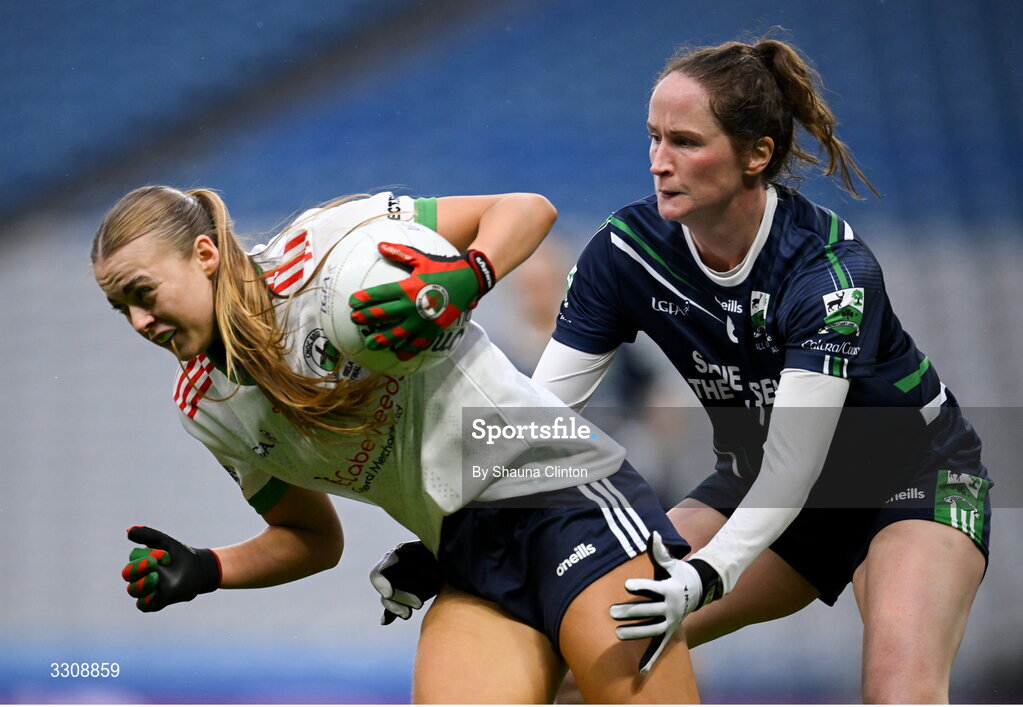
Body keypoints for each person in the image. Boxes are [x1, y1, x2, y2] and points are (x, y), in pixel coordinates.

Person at [371, 38, 992, 703]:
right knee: (596, 649)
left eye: (685, 143)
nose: (659, 164)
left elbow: (793, 468)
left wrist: (705, 575)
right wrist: (446, 538)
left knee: (898, 692)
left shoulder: (828, 276)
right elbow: (536, 419)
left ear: (757, 154)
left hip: (907, 483)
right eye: (652, 138)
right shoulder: (624, 253)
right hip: (752, 483)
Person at [92, 185, 701, 703]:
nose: (139, 322)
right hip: (464, 555)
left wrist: (470, 275)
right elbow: (312, 539)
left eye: (143, 293)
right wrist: (208, 567)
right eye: (121, 308)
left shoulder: (324, 250)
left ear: (204, 254)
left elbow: (527, 209)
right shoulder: (208, 410)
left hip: (564, 505)